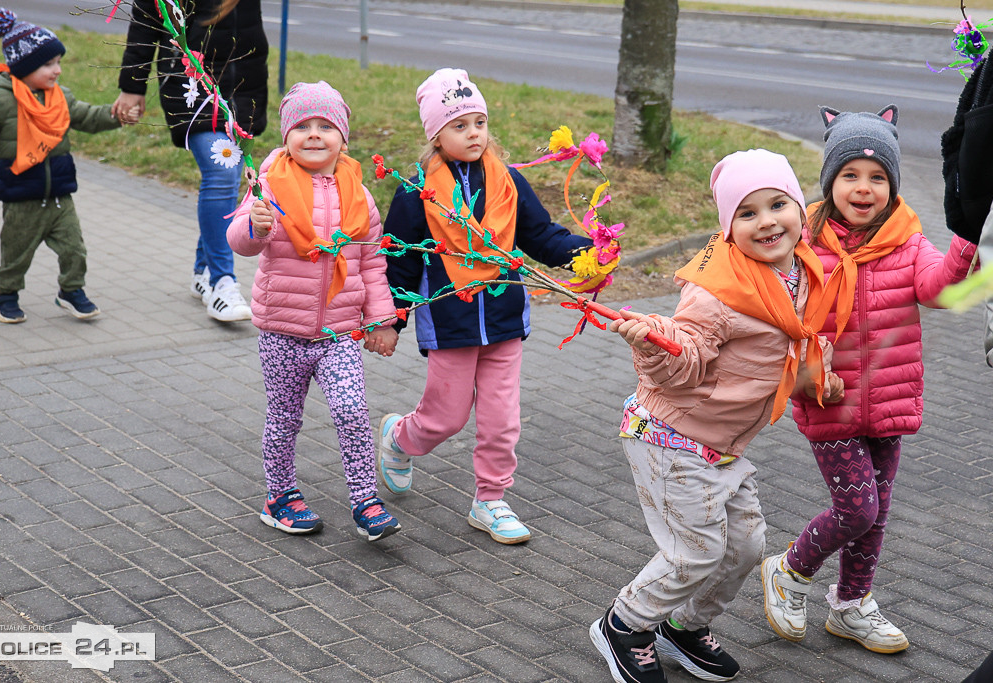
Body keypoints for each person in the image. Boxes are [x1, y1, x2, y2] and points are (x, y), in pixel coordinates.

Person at [590, 149, 842, 683]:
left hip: (724, 446)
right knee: (696, 551)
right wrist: (657, 345)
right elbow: (687, 360)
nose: (767, 221)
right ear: (728, 228)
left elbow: (800, 340)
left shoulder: (800, 272)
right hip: (670, 437)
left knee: (747, 546)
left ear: (800, 209)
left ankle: (684, 624)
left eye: (778, 204)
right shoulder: (715, 291)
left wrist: (820, 375)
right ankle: (625, 624)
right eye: (747, 213)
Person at [761, 105, 978, 655]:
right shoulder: (802, 241)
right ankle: (791, 568)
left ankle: (852, 605)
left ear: (893, 185)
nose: (864, 188)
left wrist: (966, 246)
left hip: (888, 397)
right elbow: (770, 300)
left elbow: (937, 289)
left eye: (878, 177)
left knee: (874, 516)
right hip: (829, 397)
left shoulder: (908, 239)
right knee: (858, 510)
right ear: (829, 181)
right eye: (850, 175)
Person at [377, 67, 593, 544]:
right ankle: (399, 438)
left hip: (503, 319)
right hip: (450, 323)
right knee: (444, 419)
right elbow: (400, 261)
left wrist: (585, 255)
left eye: (479, 122)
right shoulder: (417, 192)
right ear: (436, 135)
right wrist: (391, 320)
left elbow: (540, 235)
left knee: (502, 419)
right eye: (459, 125)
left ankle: (490, 499)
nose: (473, 133)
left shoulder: (509, 181)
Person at [226, 81, 401, 542]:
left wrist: (382, 320)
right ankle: (280, 496)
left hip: (340, 332)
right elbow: (241, 243)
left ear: (343, 137)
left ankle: (365, 499)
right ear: (286, 136)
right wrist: (256, 225)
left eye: (326, 126)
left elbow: (372, 261)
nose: (314, 134)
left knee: (351, 411)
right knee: (284, 415)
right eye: (302, 126)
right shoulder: (267, 186)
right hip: (282, 330)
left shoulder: (359, 196)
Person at [0, 8, 132, 324]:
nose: (57, 70)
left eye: (58, 62)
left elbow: (88, 117)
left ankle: (71, 291)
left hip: (59, 194)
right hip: (21, 196)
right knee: (15, 255)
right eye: (48, 64)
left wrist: (116, 115)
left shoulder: (61, 97)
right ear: (23, 66)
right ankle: (5, 295)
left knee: (75, 250)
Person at [114, 0, 268, 322]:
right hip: (191, 85)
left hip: (244, 86)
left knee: (229, 179)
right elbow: (146, 20)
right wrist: (132, 85)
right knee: (223, 171)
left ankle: (203, 271)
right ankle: (222, 282)